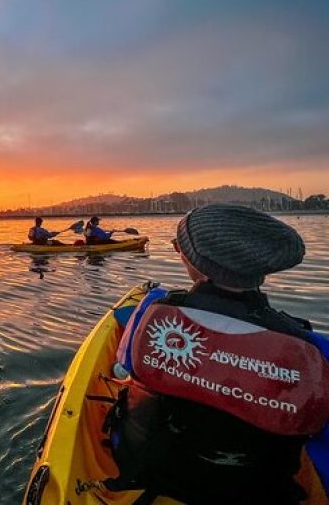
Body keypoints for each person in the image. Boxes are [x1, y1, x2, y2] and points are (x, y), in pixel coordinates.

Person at [104, 204, 329, 504]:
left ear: (198, 266)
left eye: (180, 249)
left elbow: (126, 367)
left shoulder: (156, 312)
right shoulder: (309, 347)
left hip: (154, 474)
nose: (179, 253)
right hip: (260, 493)